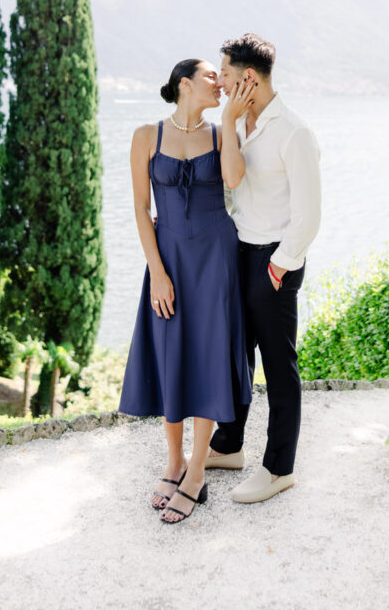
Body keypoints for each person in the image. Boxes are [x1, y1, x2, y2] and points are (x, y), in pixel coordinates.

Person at [118, 58, 252, 524]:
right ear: (184, 85)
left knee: (209, 359)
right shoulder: (145, 137)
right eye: (212, 77)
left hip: (217, 262)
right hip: (169, 260)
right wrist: (156, 270)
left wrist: (232, 122)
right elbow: (140, 209)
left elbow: (234, 180)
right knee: (172, 354)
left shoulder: (220, 134)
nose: (222, 83)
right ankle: (172, 462)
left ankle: (196, 471)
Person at [206, 33, 321, 503]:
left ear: (249, 78)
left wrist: (278, 267)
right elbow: (231, 186)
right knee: (236, 356)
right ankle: (230, 446)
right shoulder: (238, 123)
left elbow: (308, 215)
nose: (222, 84)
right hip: (239, 253)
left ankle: (278, 469)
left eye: (228, 77)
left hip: (273, 261)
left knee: (278, 367)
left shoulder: (294, 132)